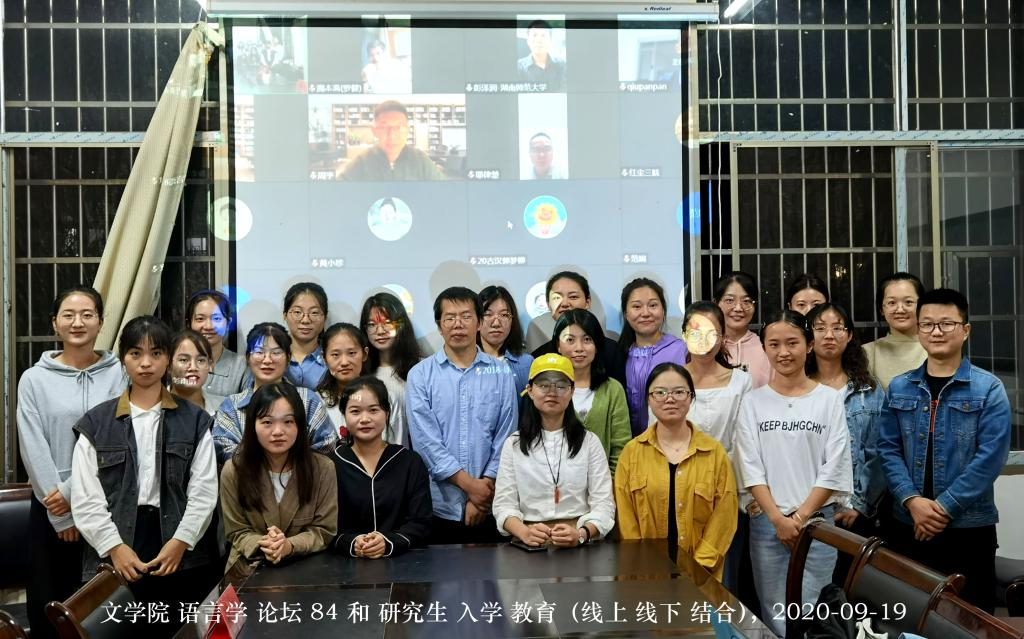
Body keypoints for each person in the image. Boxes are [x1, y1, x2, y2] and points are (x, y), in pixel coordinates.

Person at [70, 316, 219, 638]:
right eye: (136, 353)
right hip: (117, 544)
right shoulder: (97, 423)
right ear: (123, 358)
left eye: (156, 353)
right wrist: (114, 547)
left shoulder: (195, 421)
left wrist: (181, 541)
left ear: (168, 360)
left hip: (180, 547)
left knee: (181, 632)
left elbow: (204, 492)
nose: (146, 363)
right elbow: (85, 498)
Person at [877, 288, 1011, 613]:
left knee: (970, 621)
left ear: (965, 330)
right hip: (907, 524)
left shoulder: (989, 388)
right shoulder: (899, 387)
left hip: (969, 530)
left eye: (946, 323)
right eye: (927, 324)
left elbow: (990, 459)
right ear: (918, 329)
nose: (936, 331)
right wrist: (912, 501)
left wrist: (941, 509)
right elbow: (888, 449)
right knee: (909, 619)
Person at [16, 286, 125, 639]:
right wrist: (60, 510)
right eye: (69, 315)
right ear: (55, 323)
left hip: (105, 502)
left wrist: (71, 494)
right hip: (50, 508)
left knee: (103, 610)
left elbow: (118, 439)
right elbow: (32, 445)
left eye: (87, 315)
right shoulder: (34, 379)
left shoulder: (119, 374)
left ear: (101, 322)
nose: (78, 322)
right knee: (51, 607)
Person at [736, 310, 852, 638]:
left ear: (809, 345)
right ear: (764, 348)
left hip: (818, 524)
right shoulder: (753, 402)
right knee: (774, 612)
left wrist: (800, 518)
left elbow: (834, 466)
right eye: (774, 344)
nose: (783, 352)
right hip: (767, 523)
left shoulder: (828, 400)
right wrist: (778, 519)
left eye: (792, 343)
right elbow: (749, 466)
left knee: (815, 612)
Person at [406, 287, 518, 543]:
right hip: (438, 506)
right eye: (450, 317)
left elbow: (507, 434)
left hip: (491, 503)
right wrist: (471, 487)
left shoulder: (500, 373)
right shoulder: (420, 375)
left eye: (466, 316)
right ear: (439, 325)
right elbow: (426, 442)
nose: (458, 324)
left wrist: (483, 491)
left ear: (479, 323)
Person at [615, 363, 738, 578]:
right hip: (646, 574)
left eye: (679, 392)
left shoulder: (714, 453)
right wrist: (643, 560)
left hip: (701, 575)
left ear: (691, 398)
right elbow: (625, 518)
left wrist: (699, 566)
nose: (669, 399)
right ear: (648, 399)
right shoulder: (632, 453)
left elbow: (725, 514)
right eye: (660, 392)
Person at [493, 354, 615, 547]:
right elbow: (503, 505)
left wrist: (581, 534)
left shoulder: (589, 442)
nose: (552, 392)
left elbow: (604, 504)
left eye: (561, 386)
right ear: (530, 390)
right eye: (543, 385)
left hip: (578, 541)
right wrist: (524, 532)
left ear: (572, 391)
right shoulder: (514, 444)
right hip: (528, 543)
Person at [219, 383, 338, 568]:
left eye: (288, 421)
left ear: (300, 425)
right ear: (252, 425)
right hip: (250, 564)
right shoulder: (234, 470)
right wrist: (267, 544)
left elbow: (324, 530)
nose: (278, 431)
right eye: (267, 422)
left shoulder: (322, 468)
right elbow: (237, 530)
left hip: (305, 565)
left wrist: (289, 545)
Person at [680, 301, 754, 594]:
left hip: (729, 491)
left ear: (723, 337)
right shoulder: (670, 380)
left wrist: (748, 493)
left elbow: (748, 442)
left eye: (712, 333)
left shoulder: (742, 382)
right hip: (682, 489)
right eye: (695, 332)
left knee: (725, 578)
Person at [805, 303, 887, 539]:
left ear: (849, 335)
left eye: (838, 328)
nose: (829, 335)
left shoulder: (868, 390)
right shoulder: (798, 389)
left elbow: (879, 452)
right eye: (820, 328)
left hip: (855, 510)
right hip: (806, 505)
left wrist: (859, 504)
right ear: (808, 336)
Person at [332, 376, 432, 557]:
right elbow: (325, 526)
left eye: (373, 410)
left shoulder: (409, 462)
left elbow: (421, 523)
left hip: (404, 563)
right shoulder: (331, 464)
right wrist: (352, 542)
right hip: (345, 566)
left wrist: (388, 541)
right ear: (344, 415)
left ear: (386, 413)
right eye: (355, 411)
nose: (365, 419)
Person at [214, 322, 336, 463]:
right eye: (259, 352)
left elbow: (327, 445)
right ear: (248, 357)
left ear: (288, 358)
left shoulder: (307, 400)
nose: (267, 360)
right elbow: (223, 449)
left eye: (276, 353)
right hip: (248, 476)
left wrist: (287, 466)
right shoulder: (232, 406)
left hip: (301, 475)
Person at [553, 309, 630, 474]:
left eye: (587, 339)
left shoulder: (613, 389)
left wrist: (610, 484)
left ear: (597, 346)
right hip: (555, 484)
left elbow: (620, 447)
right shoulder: (548, 389)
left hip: (602, 484)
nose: (579, 348)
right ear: (558, 345)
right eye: (570, 340)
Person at [617, 277, 688, 435]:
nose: (646, 313)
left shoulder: (681, 350)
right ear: (626, 314)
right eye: (637, 306)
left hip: (671, 438)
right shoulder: (618, 354)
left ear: (663, 310)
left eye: (653, 305)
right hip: (628, 443)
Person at [531, 271, 622, 382]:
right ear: (548, 304)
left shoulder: (612, 351)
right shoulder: (539, 357)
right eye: (556, 298)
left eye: (573, 297)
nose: (564, 303)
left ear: (588, 302)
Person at [360, 292, 421, 449]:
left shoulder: (421, 370)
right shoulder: (361, 373)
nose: (380, 331)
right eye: (372, 325)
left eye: (387, 322)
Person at [339, 100, 444, 181]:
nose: (392, 135)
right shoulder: (362, 162)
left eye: (398, 127)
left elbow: (445, 191)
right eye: (384, 127)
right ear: (375, 131)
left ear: (407, 130)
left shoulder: (420, 160)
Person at [863, 272, 928, 390]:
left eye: (908, 302)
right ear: (881, 309)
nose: (900, 310)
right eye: (892, 303)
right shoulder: (867, 352)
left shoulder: (935, 347)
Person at [713, 271, 771, 387]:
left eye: (746, 301)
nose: (738, 308)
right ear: (716, 303)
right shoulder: (708, 347)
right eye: (730, 300)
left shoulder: (766, 347)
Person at [187, 289, 246, 399]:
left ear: (228, 324)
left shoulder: (242, 366)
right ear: (189, 323)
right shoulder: (177, 363)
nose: (208, 326)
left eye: (217, 318)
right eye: (200, 319)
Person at [316, 322, 372, 435]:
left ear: (364, 354)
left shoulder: (382, 396)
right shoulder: (317, 402)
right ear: (324, 358)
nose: (344, 362)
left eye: (351, 353)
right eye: (335, 355)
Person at [478, 285, 534, 395]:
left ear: (512, 320)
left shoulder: (526, 363)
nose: (496, 323)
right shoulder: (466, 362)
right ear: (477, 319)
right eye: (488, 314)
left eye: (504, 315)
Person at [282, 282, 328, 391]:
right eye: (298, 312)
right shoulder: (271, 358)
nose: (305, 320)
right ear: (285, 315)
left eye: (314, 313)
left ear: (325, 317)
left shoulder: (333, 359)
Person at [169, 329, 222, 415]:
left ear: (210, 365)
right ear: (168, 365)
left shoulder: (224, 409)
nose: (193, 367)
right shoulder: (155, 407)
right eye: (184, 360)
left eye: (201, 360)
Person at [516, 19, 566, 91]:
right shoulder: (519, 66)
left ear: (550, 40)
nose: (539, 40)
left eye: (543, 35)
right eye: (534, 35)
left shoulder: (561, 64)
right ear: (528, 40)